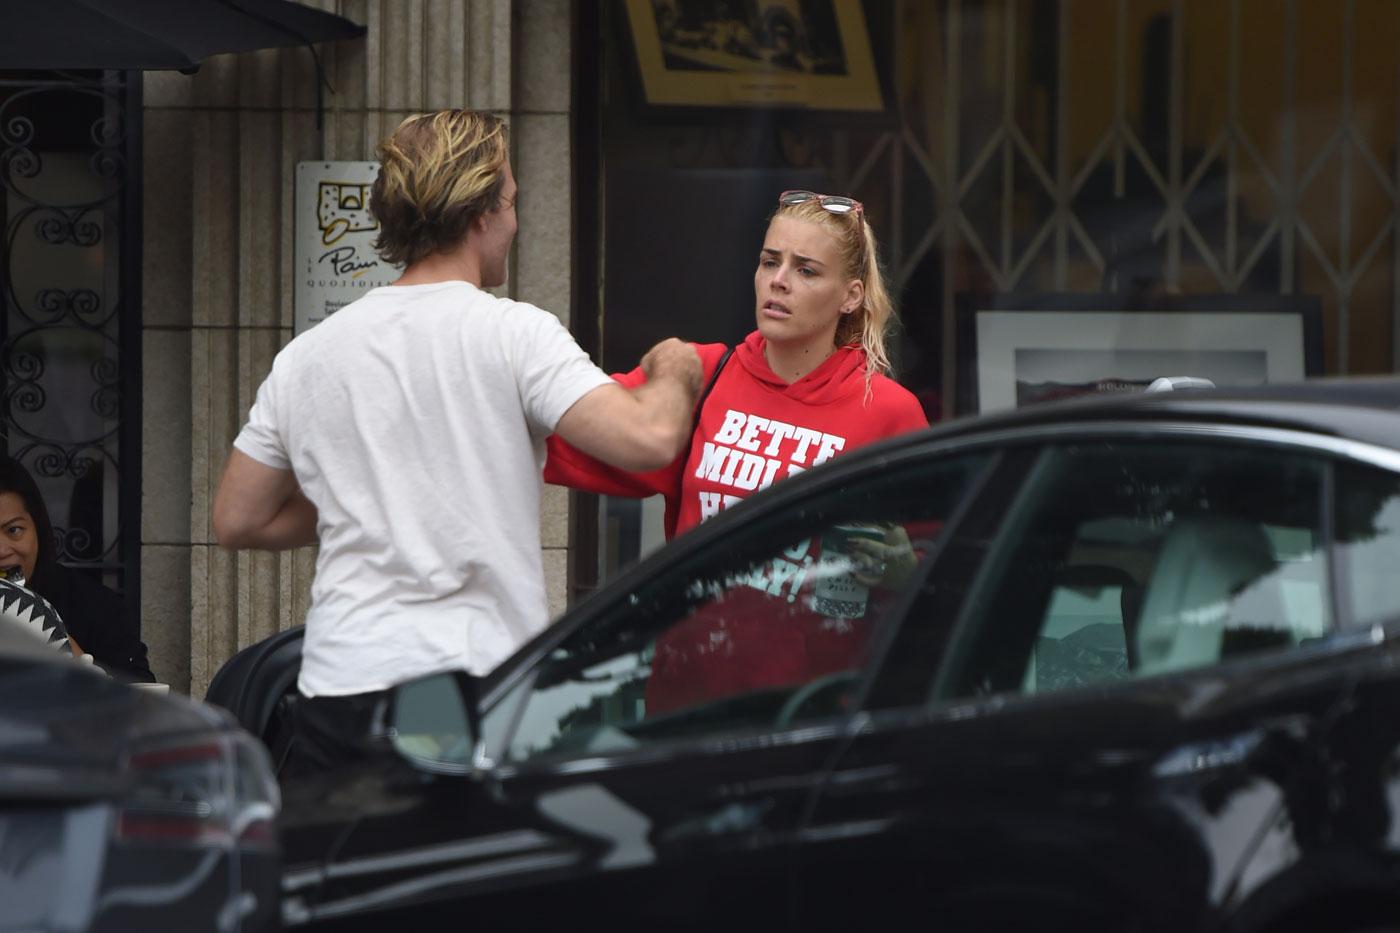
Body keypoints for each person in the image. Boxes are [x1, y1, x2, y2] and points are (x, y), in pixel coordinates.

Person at [212, 109, 702, 774]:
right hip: (451, 684)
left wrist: (363, 499)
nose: (516, 223)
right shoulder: (513, 333)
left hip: (335, 681)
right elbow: (649, 439)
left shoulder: (309, 355)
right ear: (480, 214)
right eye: (512, 203)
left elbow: (239, 518)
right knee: (447, 868)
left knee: (351, 869)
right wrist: (675, 370)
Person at [544, 188, 928, 714]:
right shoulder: (706, 375)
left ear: (851, 295)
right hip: (686, 701)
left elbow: (947, 570)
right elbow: (557, 431)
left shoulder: (887, 411)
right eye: (770, 261)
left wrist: (904, 570)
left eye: (807, 270)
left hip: (811, 714)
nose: (779, 280)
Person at [0, 455, 155, 681]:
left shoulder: (95, 607)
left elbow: (142, 698)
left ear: (38, 528)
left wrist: (70, 653)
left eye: (14, 530)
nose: (2, 550)